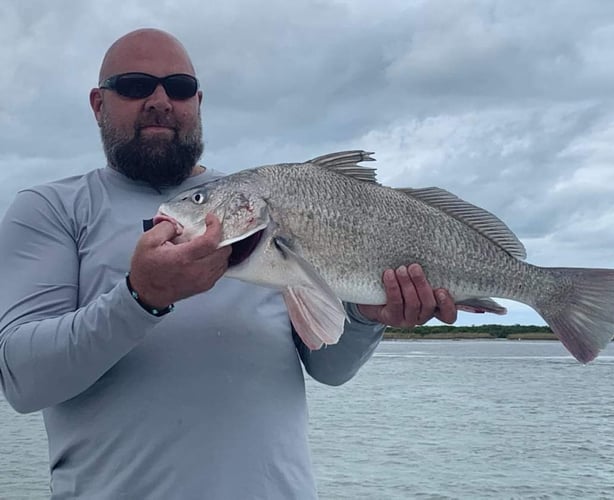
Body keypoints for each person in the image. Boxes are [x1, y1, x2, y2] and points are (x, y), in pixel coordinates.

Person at [0, 28, 457, 499]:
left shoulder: (261, 201)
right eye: (135, 85)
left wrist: (365, 316)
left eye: (178, 88)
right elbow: (23, 380)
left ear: (197, 101)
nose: (160, 100)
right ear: (98, 103)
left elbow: (330, 368)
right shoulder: (51, 209)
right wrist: (140, 298)